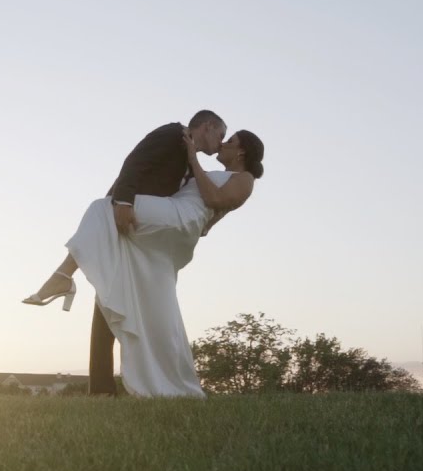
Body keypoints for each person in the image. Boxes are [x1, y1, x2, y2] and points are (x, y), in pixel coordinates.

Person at [23, 111, 265, 397]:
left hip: (176, 220)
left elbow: (213, 200)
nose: (222, 143)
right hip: (163, 225)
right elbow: (140, 168)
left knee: (101, 209)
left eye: (229, 140)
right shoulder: (174, 136)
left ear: (241, 151)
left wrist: (189, 162)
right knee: (122, 295)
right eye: (222, 136)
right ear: (208, 127)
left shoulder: (245, 178)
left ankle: (63, 275)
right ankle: (132, 386)